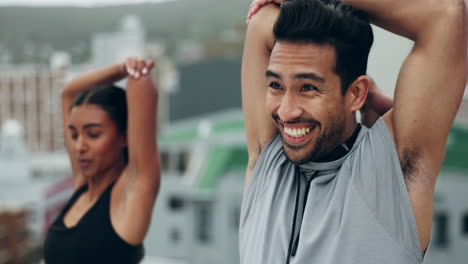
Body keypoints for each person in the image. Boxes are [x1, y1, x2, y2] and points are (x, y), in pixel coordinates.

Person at [240, 0, 467, 263]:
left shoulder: (390, 174)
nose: (286, 111)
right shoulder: (267, 161)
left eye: (308, 88)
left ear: (356, 93)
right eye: (276, 85)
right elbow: (261, 23)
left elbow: (445, 15)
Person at [43, 57, 161, 264]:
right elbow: (69, 93)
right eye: (74, 135)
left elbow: (140, 85)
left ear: (124, 137)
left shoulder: (132, 191)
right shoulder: (83, 185)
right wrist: (118, 68)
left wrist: (133, 71)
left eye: (93, 134)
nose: (79, 146)